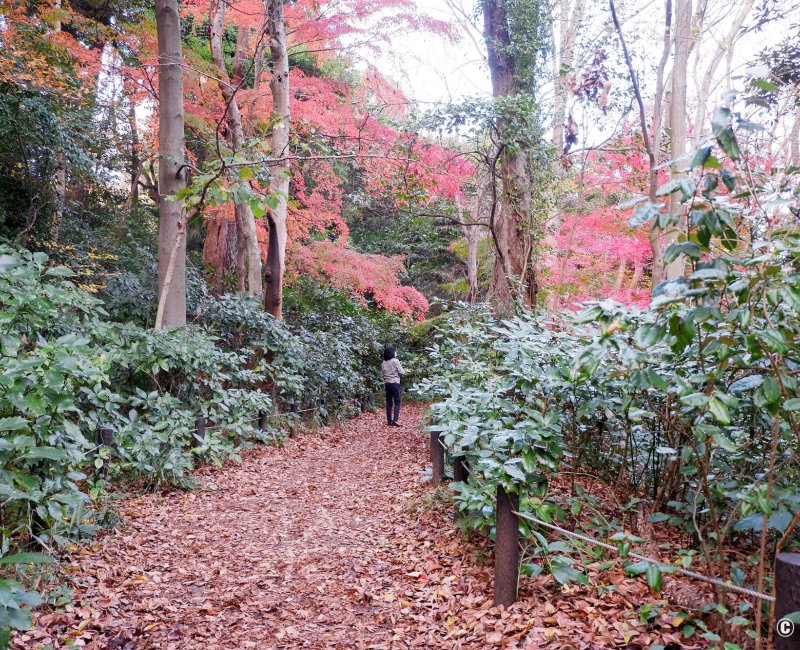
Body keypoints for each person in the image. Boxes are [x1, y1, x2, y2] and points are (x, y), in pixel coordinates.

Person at [381, 345, 405, 426]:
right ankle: (395, 420)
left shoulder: (383, 362)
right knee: (397, 402)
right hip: (395, 383)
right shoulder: (395, 361)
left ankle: (389, 421)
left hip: (387, 384)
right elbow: (402, 372)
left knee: (388, 402)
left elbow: (382, 374)